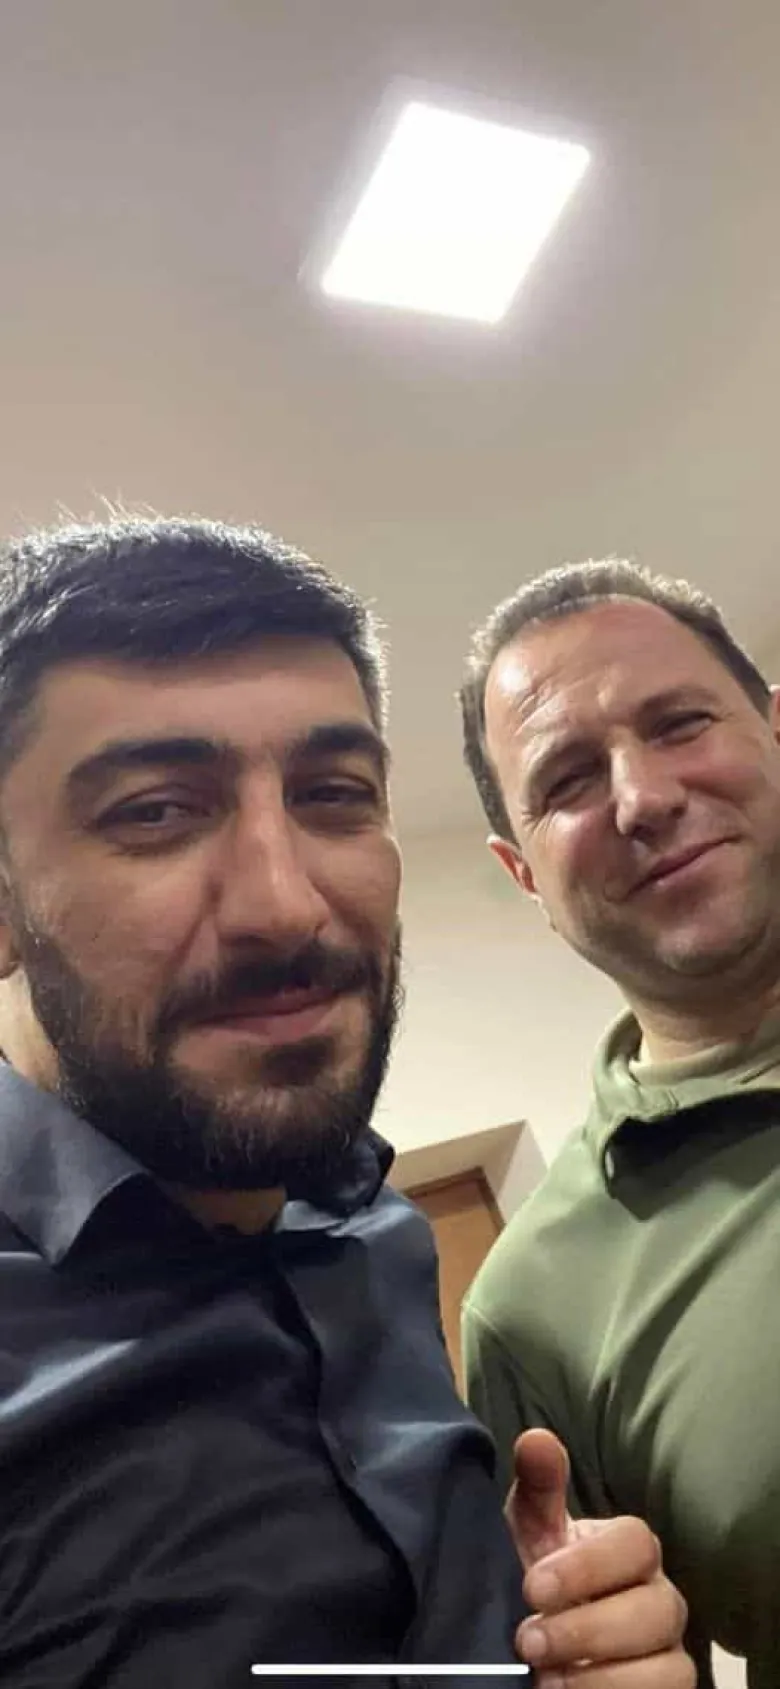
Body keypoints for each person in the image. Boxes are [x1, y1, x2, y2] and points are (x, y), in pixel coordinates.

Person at [0, 518, 692, 1689]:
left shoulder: (373, 1231)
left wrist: (547, 1638)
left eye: (333, 794)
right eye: (156, 810)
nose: (285, 902)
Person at [459, 556, 780, 1686]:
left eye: (680, 722)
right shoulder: (529, 1312)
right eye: (567, 780)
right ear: (525, 876)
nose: (643, 797)